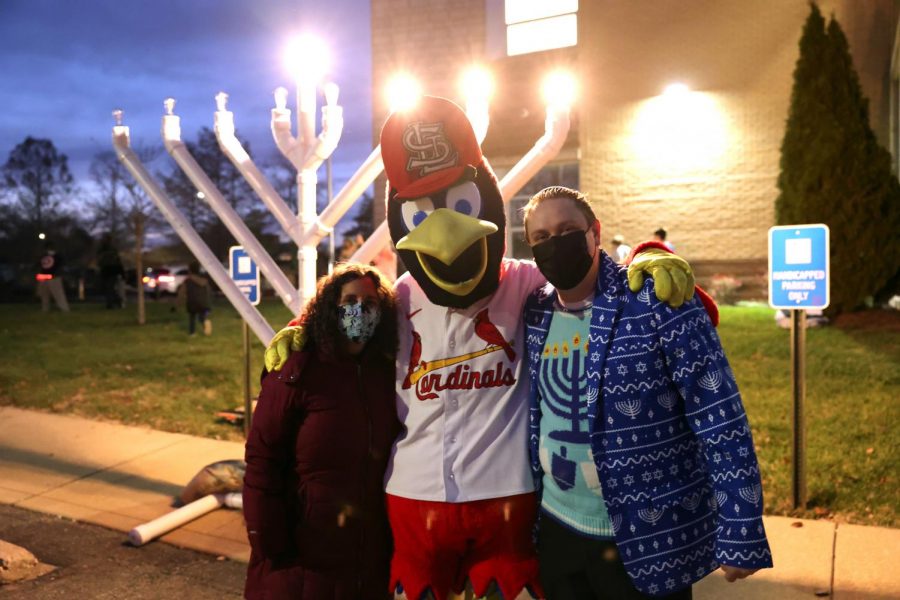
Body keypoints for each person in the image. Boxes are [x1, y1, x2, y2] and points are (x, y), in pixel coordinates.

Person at [264, 97, 705, 600]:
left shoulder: (527, 286)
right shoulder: (399, 297)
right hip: (414, 496)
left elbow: (597, 283)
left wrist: (653, 259)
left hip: (505, 500)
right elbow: (346, 321)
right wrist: (303, 326)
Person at [522, 187, 772, 599]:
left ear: (595, 233)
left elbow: (719, 416)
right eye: (542, 238)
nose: (556, 243)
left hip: (648, 539)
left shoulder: (657, 300)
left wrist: (741, 526)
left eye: (568, 230)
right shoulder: (535, 310)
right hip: (556, 531)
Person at [243, 263, 400, 600]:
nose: (359, 311)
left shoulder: (387, 372)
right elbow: (262, 460)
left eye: (371, 304)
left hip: (369, 554)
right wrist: (267, 539)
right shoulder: (296, 368)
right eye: (349, 301)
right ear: (331, 306)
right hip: (303, 555)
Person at [177, 262, 212, 336]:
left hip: (192, 302)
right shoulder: (204, 280)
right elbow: (208, 291)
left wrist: (179, 303)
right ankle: (205, 322)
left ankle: (192, 333)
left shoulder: (188, 281)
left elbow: (182, 292)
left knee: (192, 318)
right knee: (202, 316)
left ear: (190, 270)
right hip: (203, 302)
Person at [36, 242, 70, 312]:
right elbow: (40, 265)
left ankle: (64, 309)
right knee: (44, 295)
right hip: (44, 277)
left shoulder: (57, 256)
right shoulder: (43, 256)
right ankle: (45, 309)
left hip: (54, 278)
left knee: (58, 295)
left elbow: (60, 266)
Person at [97, 234, 125, 309]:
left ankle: (112, 303)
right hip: (106, 270)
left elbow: (117, 261)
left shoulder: (111, 250)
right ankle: (115, 301)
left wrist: (121, 271)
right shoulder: (102, 249)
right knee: (106, 288)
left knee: (109, 287)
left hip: (111, 270)